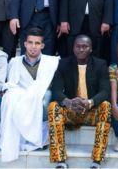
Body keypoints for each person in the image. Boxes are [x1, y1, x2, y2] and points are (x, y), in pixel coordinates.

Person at [48, 35, 111, 169]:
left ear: (91, 49)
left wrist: (90, 102)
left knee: (106, 106)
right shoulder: (64, 64)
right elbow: (56, 90)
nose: (81, 49)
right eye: (78, 46)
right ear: (73, 48)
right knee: (53, 106)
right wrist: (68, 102)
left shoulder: (100, 64)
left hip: (91, 112)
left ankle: (97, 160)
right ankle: (60, 160)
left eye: (85, 46)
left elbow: (105, 91)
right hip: (71, 111)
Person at [0, 27, 59, 162]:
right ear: (24, 44)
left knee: (45, 97)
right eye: (30, 42)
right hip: (21, 97)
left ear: (42, 45)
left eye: (37, 43)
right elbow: (11, 84)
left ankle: (40, 139)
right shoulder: (15, 62)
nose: (33, 47)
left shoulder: (51, 62)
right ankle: (19, 138)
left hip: (41, 97)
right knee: (10, 97)